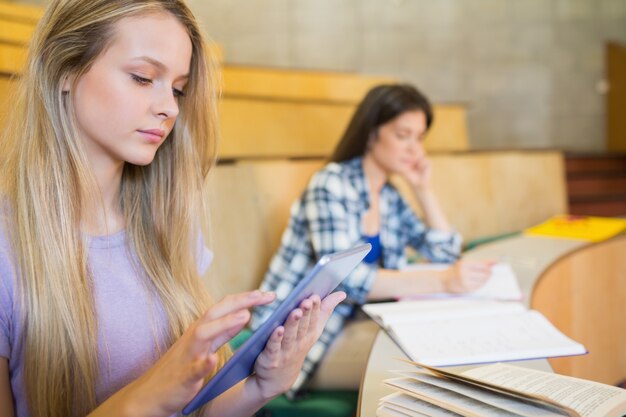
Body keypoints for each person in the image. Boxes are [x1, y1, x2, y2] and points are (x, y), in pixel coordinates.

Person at [0, 1, 346, 416]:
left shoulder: (168, 227)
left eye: (178, 88)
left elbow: (194, 412)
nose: (171, 108)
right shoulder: (8, 251)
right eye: (143, 78)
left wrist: (261, 386)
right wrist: (148, 394)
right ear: (64, 70)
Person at [250, 84, 493, 395]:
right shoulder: (331, 184)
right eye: (403, 135)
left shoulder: (389, 196)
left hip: (359, 323)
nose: (414, 150)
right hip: (300, 339)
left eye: (419, 138)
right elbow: (345, 279)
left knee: (449, 343)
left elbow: (444, 253)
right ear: (371, 133)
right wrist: (443, 281)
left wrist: (423, 189)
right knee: (429, 371)